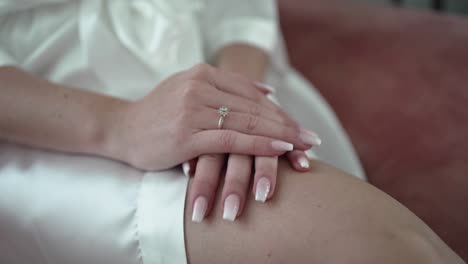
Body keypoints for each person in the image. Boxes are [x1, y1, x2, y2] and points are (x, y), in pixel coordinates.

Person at [0, 1, 463, 263]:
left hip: (220, 74)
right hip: (58, 129)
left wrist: (239, 97)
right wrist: (122, 125)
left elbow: (239, 10)